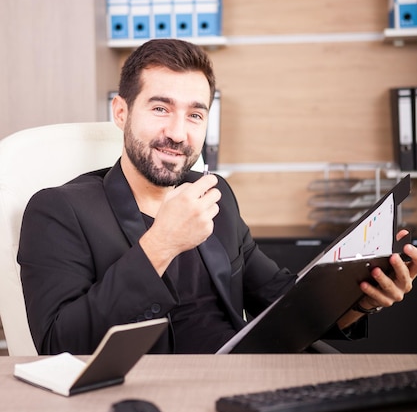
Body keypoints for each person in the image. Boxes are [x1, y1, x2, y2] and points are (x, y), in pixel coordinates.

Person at [18, 39, 417, 355]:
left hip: (250, 377)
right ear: (121, 112)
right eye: (160, 108)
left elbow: (280, 301)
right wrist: (160, 244)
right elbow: (58, 345)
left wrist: (360, 296)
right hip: (156, 400)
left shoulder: (214, 193)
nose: (178, 133)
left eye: (195, 114)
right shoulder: (59, 210)